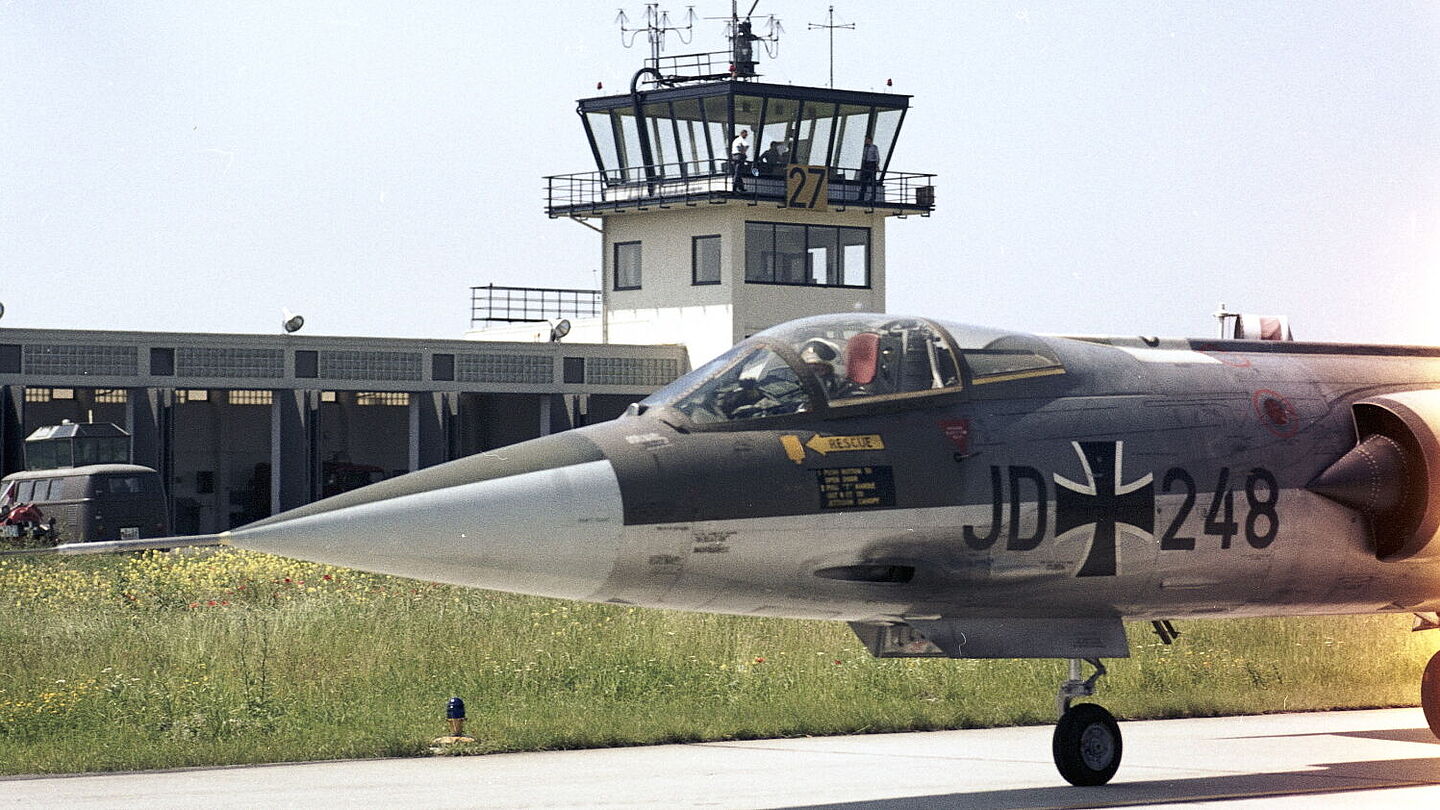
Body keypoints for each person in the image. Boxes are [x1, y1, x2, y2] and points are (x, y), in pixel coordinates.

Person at [858, 135, 880, 202]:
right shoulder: (865, 148)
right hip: (866, 164)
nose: (865, 141)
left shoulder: (874, 147)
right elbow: (864, 157)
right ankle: (861, 197)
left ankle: (873, 198)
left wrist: (876, 165)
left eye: (866, 139)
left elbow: (877, 157)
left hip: (872, 165)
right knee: (864, 181)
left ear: (870, 140)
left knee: (873, 182)